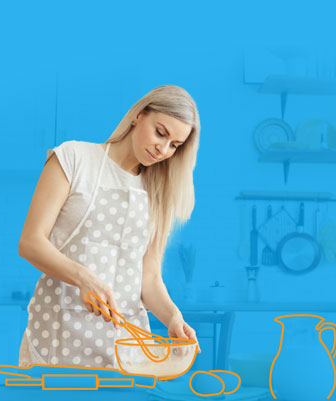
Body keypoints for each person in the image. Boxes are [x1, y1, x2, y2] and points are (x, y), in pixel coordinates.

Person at [17, 85, 202, 368]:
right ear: (139, 115)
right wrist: (83, 278)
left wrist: (174, 317)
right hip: (58, 336)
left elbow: (149, 279)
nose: (162, 149)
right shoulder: (74, 159)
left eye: (174, 145)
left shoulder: (158, 193)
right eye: (160, 133)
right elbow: (31, 242)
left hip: (125, 348)